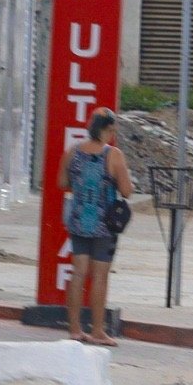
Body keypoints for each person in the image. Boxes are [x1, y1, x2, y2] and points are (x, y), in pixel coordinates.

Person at [62, 108, 134, 347]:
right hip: (104, 225)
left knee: (78, 273)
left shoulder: (73, 152)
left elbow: (61, 182)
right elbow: (126, 191)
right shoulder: (113, 155)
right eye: (112, 129)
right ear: (107, 129)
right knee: (100, 276)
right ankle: (98, 331)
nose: (113, 134)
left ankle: (74, 329)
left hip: (79, 220)